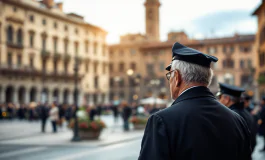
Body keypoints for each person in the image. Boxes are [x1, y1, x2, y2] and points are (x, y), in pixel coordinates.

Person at [138, 42, 251, 160]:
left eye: (170, 75)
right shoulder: (238, 120)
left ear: (176, 77)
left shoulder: (162, 121)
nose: (169, 81)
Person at [217, 83, 257, 153]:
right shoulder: (247, 113)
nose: (219, 100)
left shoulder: (228, 117)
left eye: (220, 97)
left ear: (226, 99)